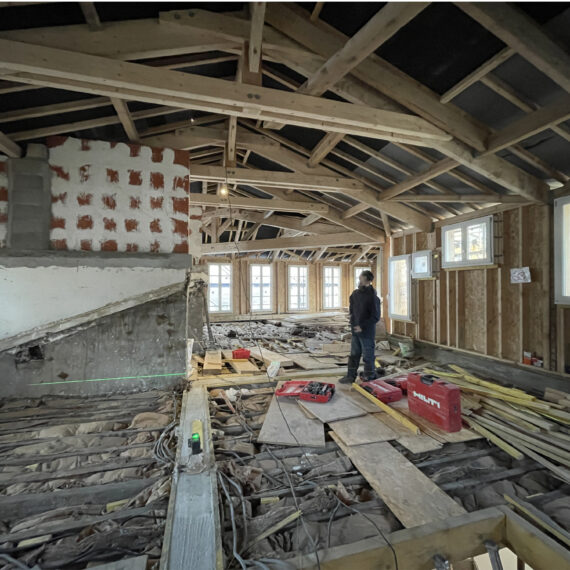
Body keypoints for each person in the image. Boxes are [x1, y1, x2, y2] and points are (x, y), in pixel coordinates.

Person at [339, 270, 381, 384]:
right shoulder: (355, 294)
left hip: (366, 332)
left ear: (367, 280)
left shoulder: (373, 297)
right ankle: (350, 376)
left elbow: (376, 317)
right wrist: (353, 323)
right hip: (355, 331)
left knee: (368, 356)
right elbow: (352, 310)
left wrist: (362, 326)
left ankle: (369, 376)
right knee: (354, 355)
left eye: (361, 278)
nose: (359, 280)